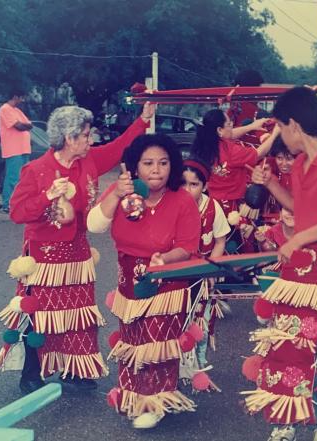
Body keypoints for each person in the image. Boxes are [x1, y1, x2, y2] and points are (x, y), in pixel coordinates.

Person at [0, 103, 154, 395]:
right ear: (69, 138)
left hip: (78, 253)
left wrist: (143, 120)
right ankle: (32, 373)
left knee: (78, 314)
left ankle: (75, 371)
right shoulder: (37, 169)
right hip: (43, 256)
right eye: (85, 135)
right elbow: (17, 213)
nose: (90, 141)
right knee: (40, 314)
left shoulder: (89, 161)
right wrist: (47, 196)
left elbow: (120, 147)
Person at [244, 87, 317, 441]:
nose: (280, 135)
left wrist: (299, 239)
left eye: (280, 127)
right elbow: (300, 209)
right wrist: (271, 185)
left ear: (293, 124)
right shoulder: (299, 163)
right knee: (285, 344)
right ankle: (288, 417)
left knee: (308, 345)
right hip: (300, 265)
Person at [87, 133, 200, 429]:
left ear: (171, 166)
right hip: (128, 282)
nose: (156, 169)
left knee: (157, 343)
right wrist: (115, 195)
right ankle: (133, 397)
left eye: (163, 163)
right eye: (148, 163)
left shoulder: (182, 200)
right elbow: (94, 225)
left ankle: (157, 402)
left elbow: (188, 245)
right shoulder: (122, 191)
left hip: (166, 282)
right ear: (134, 167)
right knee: (132, 341)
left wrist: (166, 259)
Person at [182, 158, 231, 366]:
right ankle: (178, 362)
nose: (187, 189)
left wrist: (212, 270)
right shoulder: (171, 202)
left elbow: (220, 240)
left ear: (205, 186)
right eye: (183, 183)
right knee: (178, 317)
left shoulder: (213, 207)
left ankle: (200, 361)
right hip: (177, 273)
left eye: (194, 184)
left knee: (202, 317)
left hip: (203, 273)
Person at [191, 109, 276, 217]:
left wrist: (252, 126)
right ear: (219, 130)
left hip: (211, 201)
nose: (232, 125)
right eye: (228, 123)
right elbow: (259, 153)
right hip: (230, 205)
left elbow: (229, 134)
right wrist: (275, 134)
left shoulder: (204, 144)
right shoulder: (231, 151)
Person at [0, 88, 33, 213]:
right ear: (15, 97)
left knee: (23, 177)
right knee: (13, 177)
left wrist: (24, 125)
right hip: (13, 149)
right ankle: (7, 204)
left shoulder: (17, 110)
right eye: (21, 97)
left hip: (24, 149)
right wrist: (24, 125)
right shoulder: (5, 109)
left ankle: (18, 203)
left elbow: (29, 125)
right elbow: (18, 126)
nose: (22, 100)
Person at [263, 137, 295, 220]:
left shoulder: (302, 176)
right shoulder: (271, 164)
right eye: (280, 158)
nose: (284, 163)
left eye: (289, 158)